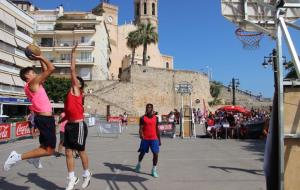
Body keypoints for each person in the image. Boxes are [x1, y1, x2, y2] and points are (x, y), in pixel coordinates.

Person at [4, 53, 55, 171]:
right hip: (45, 119)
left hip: (43, 118)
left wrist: (40, 58)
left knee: (44, 146)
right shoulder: (32, 84)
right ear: (27, 75)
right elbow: (51, 69)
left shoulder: (34, 84)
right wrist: (41, 57)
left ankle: (35, 158)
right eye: (33, 72)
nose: (36, 74)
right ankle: (17, 157)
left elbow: (45, 71)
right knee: (49, 150)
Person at [62, 44, 91, 190]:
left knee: (80, 151)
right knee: (68, 151)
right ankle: (72, 178)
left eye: (77, 81)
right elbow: (68, 112)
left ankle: (86, 174)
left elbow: (72, 69)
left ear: (79, 85)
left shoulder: (77, 91)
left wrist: (73, 53)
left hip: (79, 126)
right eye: (75, 80)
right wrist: (60, 120)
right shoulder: (69, 95)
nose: (75, 81)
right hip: (69, 125)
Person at [135, 104, 161, 178]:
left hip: (154, 139)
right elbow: (140, 128)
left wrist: (159, 140)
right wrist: (141, 134)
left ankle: (154, 169)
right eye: (147, 108)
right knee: (142, 154)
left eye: (150, 108)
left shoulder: (156, 118)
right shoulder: (142, 118)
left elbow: (157, 129)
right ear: (146, 109)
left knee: (156, 154)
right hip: (145, 139)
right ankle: (138, 164)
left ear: (152, 109)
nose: (148, 109)